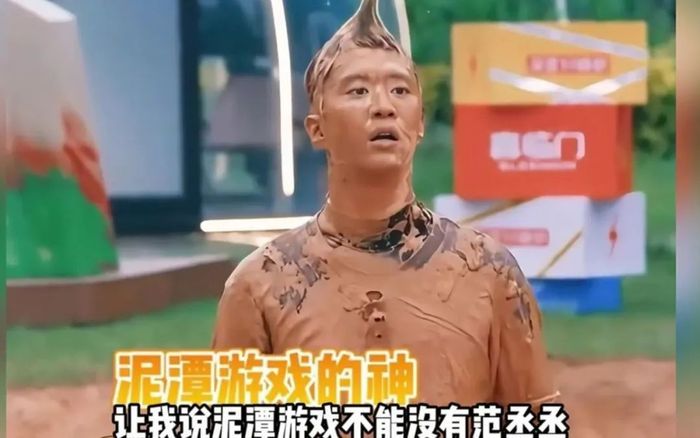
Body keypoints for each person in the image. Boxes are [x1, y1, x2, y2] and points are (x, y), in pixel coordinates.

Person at [211, 0, 559, 409]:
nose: (383, 106)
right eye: (358, 91)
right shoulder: (263, 284)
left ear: (420, 122)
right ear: (317, 129)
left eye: (400, 90)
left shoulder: (488, 272)